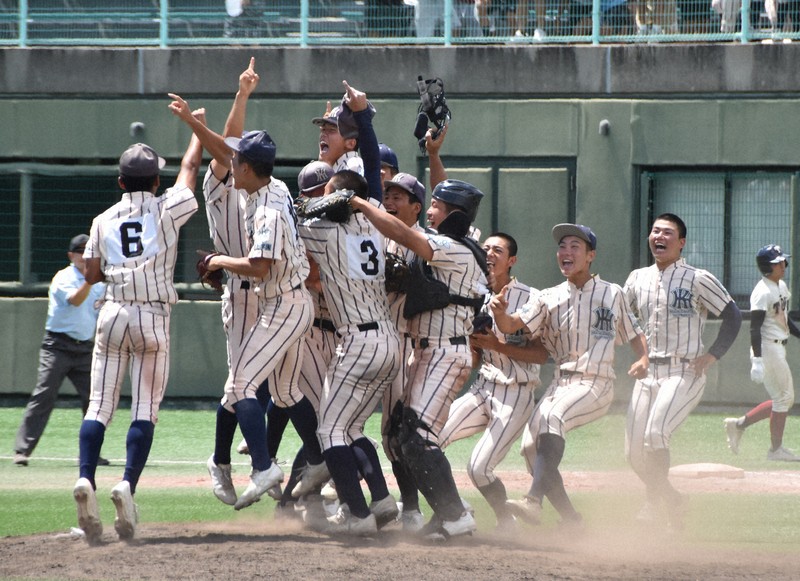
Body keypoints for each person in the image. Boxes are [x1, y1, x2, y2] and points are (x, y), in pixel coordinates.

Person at [168, 87, 323, 513]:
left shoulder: (264, 203)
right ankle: (318, 458)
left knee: (239, 385)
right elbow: (228, 146)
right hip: (275, 296)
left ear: (249, 167)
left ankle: (259, 466)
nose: (230, 161)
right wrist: (238, 96)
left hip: (271, 295)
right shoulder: (270, 188)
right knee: (286, 390)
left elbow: (260, 266)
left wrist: (194, 125)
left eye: (237, 159)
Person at [72, 137, 202, 545]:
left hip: (112, 312)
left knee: (99, 405)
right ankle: (126, 485)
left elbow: (91, 273)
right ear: (156, 180)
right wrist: (196, 132)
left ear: (120, 182)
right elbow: (191, 171)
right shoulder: (167, 208)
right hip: (152, 314)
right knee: (144, 408)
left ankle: (85, 477)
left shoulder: (102, 218)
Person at [350, 178, 489, 539]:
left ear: (452, 212)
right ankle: (447, 515)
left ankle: (455, 515)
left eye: (437, 206)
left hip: (445, 350)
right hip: (427, 351)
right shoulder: (450, 245)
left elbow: (407, 236)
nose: (430, 211)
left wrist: (363, 204)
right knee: (400, 438)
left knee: (417, 438)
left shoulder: (455, 248)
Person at [492, 223, 649, 529]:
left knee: (552, 417)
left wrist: (643, 357)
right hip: (560, 383)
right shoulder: (548, 297)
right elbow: (513, 326)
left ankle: (533, 502)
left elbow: (634, 332)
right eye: (562, 246)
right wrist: (499, 315)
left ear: (591, 255)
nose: (566, 252)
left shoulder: (611, 293)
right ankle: (572, 520)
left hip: (596, 382)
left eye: (575, 246)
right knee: (530, 449)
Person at [623, 213, 742, 529]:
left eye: (667, 232)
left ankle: (652, 503)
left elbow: (732, 315)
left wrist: (713, 354)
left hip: (684, 372)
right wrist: (640, 353)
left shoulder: (696, 277)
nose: (659, 236)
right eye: (655, 230)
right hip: (649, 374)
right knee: (634, 454)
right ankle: (674, 501)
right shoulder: (637, 278)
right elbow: (624, 318)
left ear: (681, 242)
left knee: (655, 433)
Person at [439, 232, 546, 530]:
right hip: (483, 386)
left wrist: (496, 346)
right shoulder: (474, 294)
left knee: (479, 468)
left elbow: (540, 354)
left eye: (497, 250)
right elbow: (475, 355)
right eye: (485, 248)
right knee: (428, 442)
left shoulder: (530, 297)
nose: (489, 253)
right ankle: (455, 508)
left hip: (516, 392)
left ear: (511, 261)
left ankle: (506, 520)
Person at [14, 234, 106, 467]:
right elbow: (75, 301)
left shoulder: (99, 282)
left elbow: (100, 311)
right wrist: (90, 279)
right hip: (58, 347)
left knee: (95, 400)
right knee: (44, 395)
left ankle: (90, 452)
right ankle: (22, 450)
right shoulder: (64, 277)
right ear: (71, 255)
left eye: (89, 251)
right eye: (80, 251)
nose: (84, 256)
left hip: (85, 348)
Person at [380, 171, 428, 531]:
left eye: (400, 198)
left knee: (396, 433)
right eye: (388, 196)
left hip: (405, 343)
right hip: (372, 339)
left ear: (417, 207)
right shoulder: (377, 238)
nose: (391, 203)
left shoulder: (426, 244)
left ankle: (413, 508)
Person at [725, 244, 800, 462]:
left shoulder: (780, 286)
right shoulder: (762, 292)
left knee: (781, 398)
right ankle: (775, 450)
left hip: (778, 346)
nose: (784, 264)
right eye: (779, 262)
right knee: (784, 398)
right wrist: (757, 359)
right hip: (767, 348)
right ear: (769, 267)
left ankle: (739, 424)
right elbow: (754, 327)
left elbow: (785, 320)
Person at [313, 104, 364, 175]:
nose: (323, 134)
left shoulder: (352, 166)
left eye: (331, 130)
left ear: (350, 143)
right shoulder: (339, 166)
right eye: (323, 129)